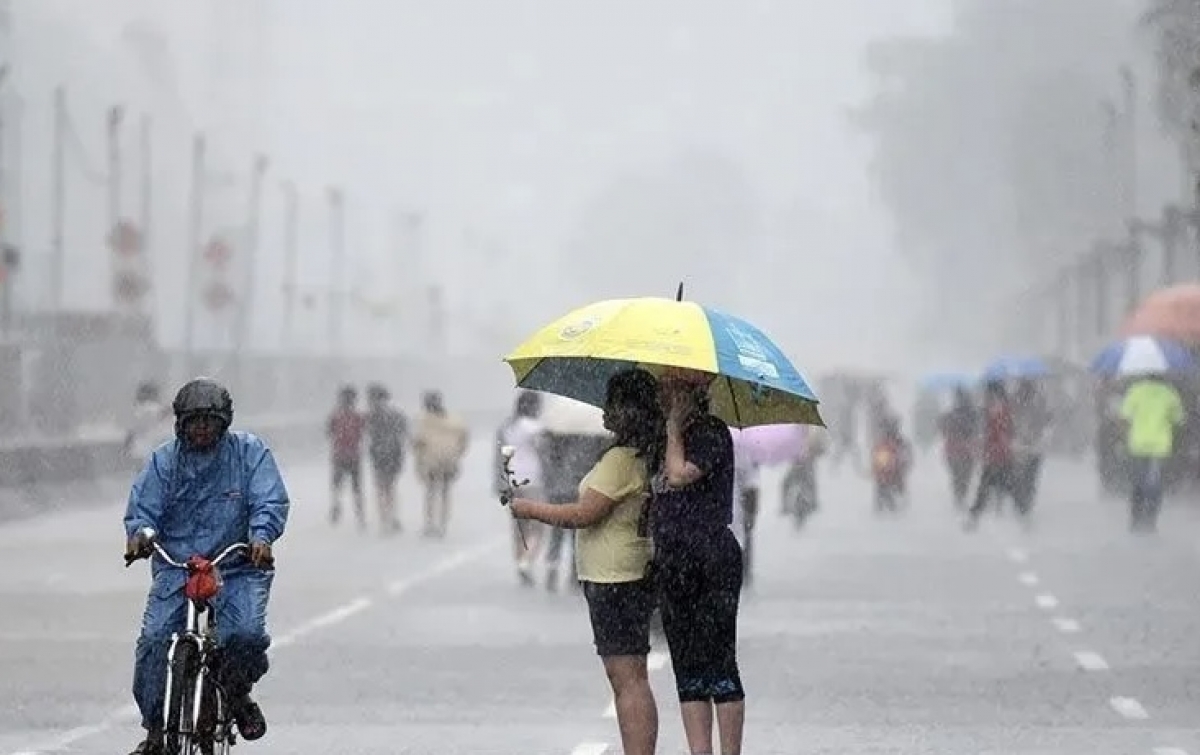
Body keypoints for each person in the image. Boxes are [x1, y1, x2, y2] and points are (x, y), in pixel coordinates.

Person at [122, 377, 290, 755]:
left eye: (208, 421)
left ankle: (236, 691)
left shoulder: (249, 455)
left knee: (244, 637)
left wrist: (261, 538)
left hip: (236, 565)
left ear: (224, 423)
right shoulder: (164, 462)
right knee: (153, 643)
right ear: (179, 423)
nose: (200, 429)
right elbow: (143, 509)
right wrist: (141, 534)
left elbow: (269, 500)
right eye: (193, 421)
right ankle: (154, 731)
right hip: (177, 567)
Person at [508, 369, 662, 755]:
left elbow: (584, 514)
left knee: (627, 677)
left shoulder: (622, 460)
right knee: (628, 675)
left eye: (613, 403)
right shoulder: (639, 453)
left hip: (616, 576)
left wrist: (529, 508)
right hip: (622, 572)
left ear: (630, 410)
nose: (605, 411)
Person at [647, 366, 745, 755]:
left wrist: (672, 429)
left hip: (711, 560)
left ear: (691, 394)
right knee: (687, 666)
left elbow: (679, 475)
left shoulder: (709, 433)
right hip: (673, 561)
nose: (664, 397)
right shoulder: (663, 438)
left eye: (672, 390)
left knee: (719, 663)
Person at [1120, 371, 1185, 532]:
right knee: (1155, 484)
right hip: (1160, 446)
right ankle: (1150, 519)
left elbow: (1125, 416)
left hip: (1138, 444)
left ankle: (1135, 518)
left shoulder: (1135, 390)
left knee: (1138, 482)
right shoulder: (1170, 393)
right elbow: (1178, 419)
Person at [496, 390, 547, 585]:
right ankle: (527, 562)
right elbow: (544, 452)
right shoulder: (537, 428)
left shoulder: (509, 427)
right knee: (537, 527)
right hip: (533, 480)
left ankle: (519, 562)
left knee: (518, 526)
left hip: (512, 479)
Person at [412, 390, 469, 537]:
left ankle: (432, 523)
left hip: (433, 461)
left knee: (432, 492)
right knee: (443, 492)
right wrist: (457, 453)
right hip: (446, 460)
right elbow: (464, 438)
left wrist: (418, 462)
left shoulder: (423, 420)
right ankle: (440, 524)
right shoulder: (454, 419)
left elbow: (417, 443)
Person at [965, 380, 1015, 530]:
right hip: (998, 454)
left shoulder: (997, 410)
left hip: (998, 454)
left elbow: (1000, 432)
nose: (986, 395)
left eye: (988, 392)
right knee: (1003, 485)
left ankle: (974, 517)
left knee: (988, 486)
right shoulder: (998, 409)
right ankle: (1022, 513)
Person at [365, 383, 408, 534]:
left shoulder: (373, 416)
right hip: (388, 455)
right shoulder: (395, 415)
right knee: (387, 487)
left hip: (385, 455)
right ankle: (389, 517)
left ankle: (387, 518)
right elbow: (404, 433)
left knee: (385, 488)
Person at [1011, 379, 1053, 521]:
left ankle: (1022, 502)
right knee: (1030, 477)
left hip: (1021, 446)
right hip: (1032, 446)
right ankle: (1025, 502)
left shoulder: (1014, 401)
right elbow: (1048, 418)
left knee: (1021, 476)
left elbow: (1008, 421)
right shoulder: (1038, 401)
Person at [327, 385, 367, 529]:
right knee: (356, 487)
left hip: (339, 455)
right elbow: (363, 434)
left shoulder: (335, 416)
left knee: (338, 485)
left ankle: (336, 507)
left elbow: (329, 433)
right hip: (353, 456)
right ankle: (360, 514)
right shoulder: (358, 417)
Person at [938, 387, 979, 509]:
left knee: (957, 475)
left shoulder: (952, 413)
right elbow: (977, 429)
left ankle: (959, 496)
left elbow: (943, 429)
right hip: (967, 450)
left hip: (955, 450)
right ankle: (961, 495)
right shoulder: (972, 413)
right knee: (965, 475)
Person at [124, 381, 172, 471]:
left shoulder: (138, 411)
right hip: (154, 454)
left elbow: (131, 433)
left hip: (142, 454)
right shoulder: (156, 410)